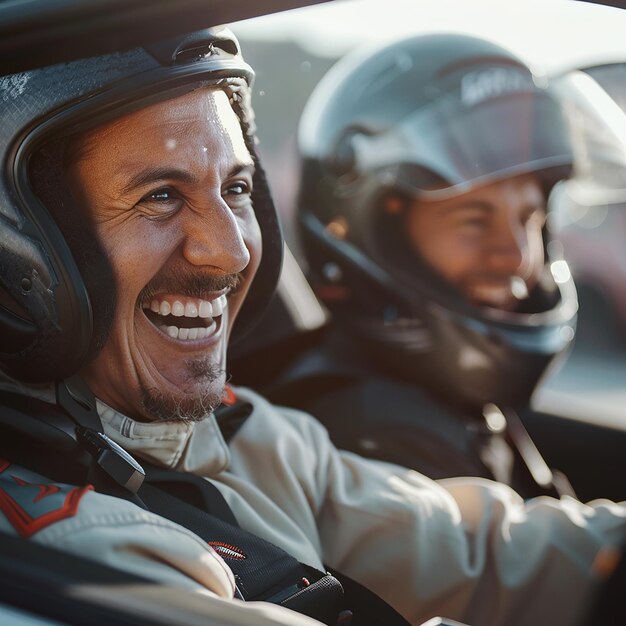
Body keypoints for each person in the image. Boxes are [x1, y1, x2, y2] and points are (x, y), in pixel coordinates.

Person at [0, 24, 625, 626]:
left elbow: (486, 554)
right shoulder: (84, 547)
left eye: (237, 187)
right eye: (161, 195)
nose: (233, 251)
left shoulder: (251, 437)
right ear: (23, 247)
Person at [255, 32, 581, 498]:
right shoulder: (375, 437)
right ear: (376, 233)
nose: (517, 256)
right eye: (474, 220)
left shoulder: (441, 399)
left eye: (529, 219)